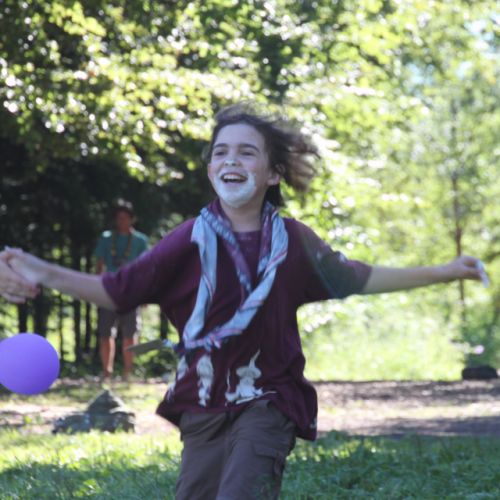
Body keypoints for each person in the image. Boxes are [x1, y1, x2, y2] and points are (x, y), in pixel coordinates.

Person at [0, 103, 489, 499]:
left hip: (269, 399)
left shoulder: (294, 242)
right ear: (211, 169)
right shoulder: (187, 239)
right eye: (222, 152)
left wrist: (444, 271)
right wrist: (40, 269)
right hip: (202, 403)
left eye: (247, 153)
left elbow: (357, 278)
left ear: (273, 173)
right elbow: (116, 290)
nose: (231, 160)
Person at [94, 200, 148, 380]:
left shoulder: (140, 240)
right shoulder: (106, 238)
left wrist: (145, 293)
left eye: (125, 217)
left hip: (131, 291)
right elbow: (99, 264)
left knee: (130, 334)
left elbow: (145, 268)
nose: (122, 221)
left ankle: (127, 372)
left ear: (132, 219)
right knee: (105, 333)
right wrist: (97, 287)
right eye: (119, 218)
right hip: (108, 290)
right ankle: (106, 372)